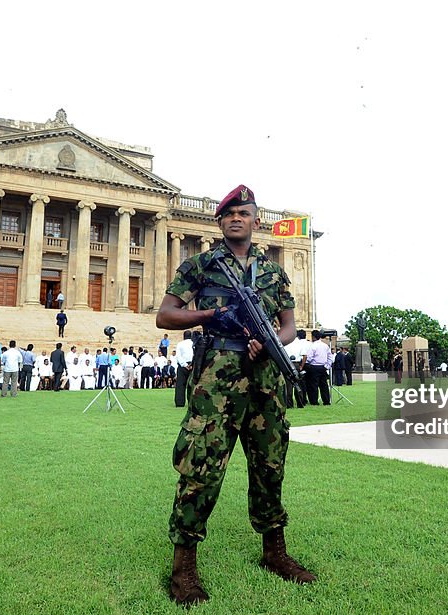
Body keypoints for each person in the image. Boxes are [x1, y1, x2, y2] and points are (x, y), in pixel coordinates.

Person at [156, 184, 314, 606]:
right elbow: (165, 315)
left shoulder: (273, 272)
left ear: (255, 220)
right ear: (220, 222)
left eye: (243, 212)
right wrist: (211, 315)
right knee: (202, 467)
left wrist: (273, 343)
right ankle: (183, 567)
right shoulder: (201, 266)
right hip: (217, 383)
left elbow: (289, 326)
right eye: (228, 214)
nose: (235, 218)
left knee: (270, 465)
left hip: (266, 381)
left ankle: (274, 552)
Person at [304, 330, 332, 405]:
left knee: (313, 385)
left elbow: (309, 357)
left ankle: (314, 401)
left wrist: (306, 363)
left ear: (313, 337)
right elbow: (330, 357)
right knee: (324, 385)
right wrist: (327, 366)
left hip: (314, 366)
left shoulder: (312, 346)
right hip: (323, 367)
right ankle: (326, 401)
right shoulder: (325, 346)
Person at [283, 330, 309, 408]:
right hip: (297, 364)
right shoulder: (300, 343)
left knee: (288, 385)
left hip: (287, 363)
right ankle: (300, 403)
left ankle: (289, 404)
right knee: (298, 385)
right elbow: (304, 355)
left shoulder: (285, 342)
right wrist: (301, 366)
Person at [173, 330, 194, 407]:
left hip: (182, 366)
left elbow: (178, 356)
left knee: (180, 385)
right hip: (192, 365)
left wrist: (184, 364)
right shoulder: (193, 344)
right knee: (192, 385)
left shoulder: (180, 344)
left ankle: (180, 403)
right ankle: (191, 403)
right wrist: (192, 364)